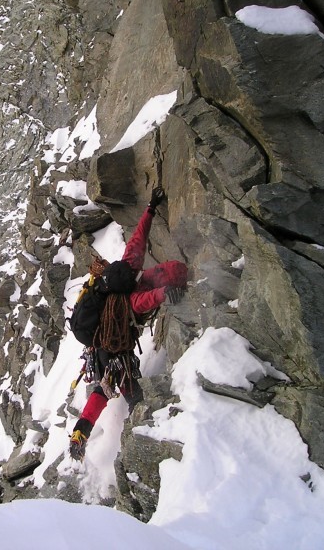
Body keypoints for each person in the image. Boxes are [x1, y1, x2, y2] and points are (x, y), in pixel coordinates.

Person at [69, 187, 187, 461]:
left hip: (101, 344)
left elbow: (138, 239)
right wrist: (165, 294)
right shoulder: (129, 298)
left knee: (104, 387)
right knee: (119, 387)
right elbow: (146, 301)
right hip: (111, 350)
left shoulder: (125, 269)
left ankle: (81, 433)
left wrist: (150, 208)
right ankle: (139, 422)